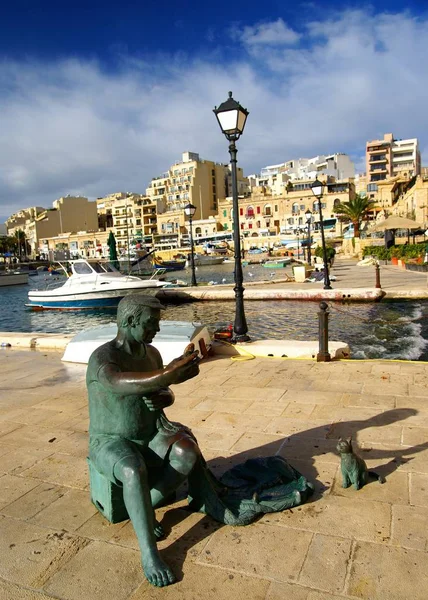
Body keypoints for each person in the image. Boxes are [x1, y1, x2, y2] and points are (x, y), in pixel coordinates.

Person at [87, 294, 200, 587]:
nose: (157, 330)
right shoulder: (103, 357)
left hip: (150, 433)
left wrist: (166, 391)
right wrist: (167, 375)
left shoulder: (152, 355)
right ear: (129, 321)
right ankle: (149, 553)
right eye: (152, 323)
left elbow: (162, 395)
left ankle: (144, 509)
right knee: (131, 470)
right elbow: (119, 383)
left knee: (187, 452)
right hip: (111, 440)